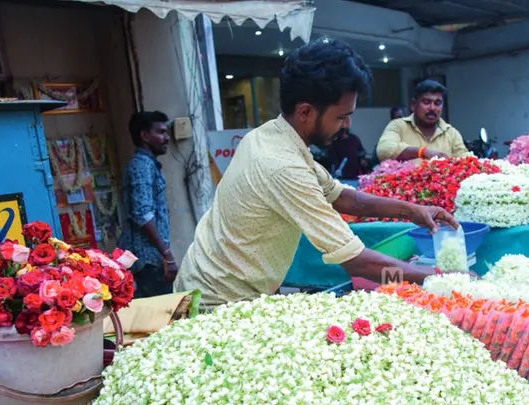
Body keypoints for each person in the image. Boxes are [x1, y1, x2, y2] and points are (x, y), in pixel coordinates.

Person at [174, 40, 457, 309]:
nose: (347, 125)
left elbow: (345, 198)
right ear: (306, 112)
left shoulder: (272, 135)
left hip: (213, 285)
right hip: (215, 302)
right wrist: (442, 278)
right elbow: (356, 261)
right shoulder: (282, 166)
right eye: (341, 116)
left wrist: (414, 211)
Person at [118, 111, 178, 298]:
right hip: (147, 261)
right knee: (162, 311)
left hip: (152, 259)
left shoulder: (148, 164)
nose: (167, 137)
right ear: (144, 135)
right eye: (161, 132)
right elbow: (142, 214)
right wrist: (166, 254)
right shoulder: (141, 165)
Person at [376, 80, 470, 161]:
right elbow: (383, 150)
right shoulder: (398, 126)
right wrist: (422, 152)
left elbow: (465, 160)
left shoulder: (451, 133)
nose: (432, 108)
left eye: (437, 103)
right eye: (426, 102)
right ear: (413, 105)